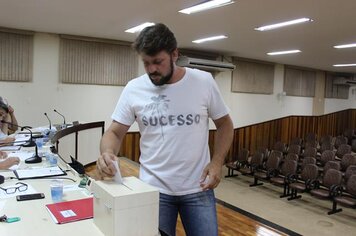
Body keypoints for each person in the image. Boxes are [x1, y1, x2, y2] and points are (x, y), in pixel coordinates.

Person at [96, 23, 233, 236]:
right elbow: (114, 132)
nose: (152, 69)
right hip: (153, 190)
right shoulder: (134, 88)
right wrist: (107, 152)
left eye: (158, 62)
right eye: (146, 63)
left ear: (174, 54)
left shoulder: (203, 82)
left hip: (199, 188)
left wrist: (217, 162)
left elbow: (225, 124)